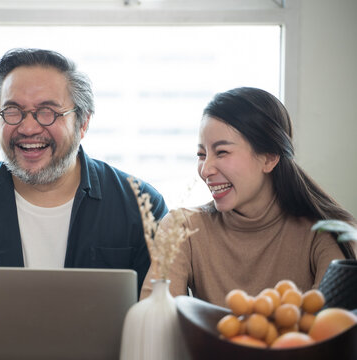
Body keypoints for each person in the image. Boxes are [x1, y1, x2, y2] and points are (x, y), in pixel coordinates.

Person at [0, 48, 167, 343]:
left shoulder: (141, 205)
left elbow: (158, 321)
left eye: (48, 112)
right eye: (12, 111)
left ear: (82, 123)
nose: (28, 127)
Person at [140, 87, 356, 306]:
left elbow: (331, 329)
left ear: (269, 158)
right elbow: (153, 320)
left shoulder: (326, 233)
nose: (205, 170)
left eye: (222, 152)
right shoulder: (183, 228)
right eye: (201, 155)